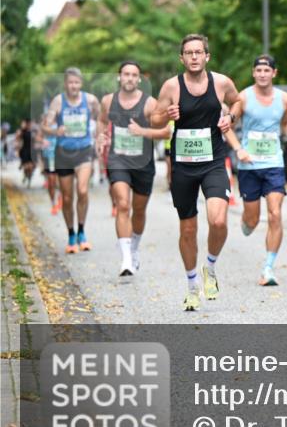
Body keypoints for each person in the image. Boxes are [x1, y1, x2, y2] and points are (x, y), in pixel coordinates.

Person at [151, 34, 242, 312]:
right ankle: (192, 287)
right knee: (188, 229)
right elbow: (154, 118)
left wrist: (231, 117)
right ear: (182, 58)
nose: (193, 57)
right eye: (188, 53)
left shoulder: (221, 82)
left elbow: (238, 102)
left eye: (198, 52)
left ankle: (210, 268)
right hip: (183, 165)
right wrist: (167, 114)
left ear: (207, 56)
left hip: (213, 161)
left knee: (218, 221)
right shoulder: (172, 87)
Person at [224, 54, 287, 286]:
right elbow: (226, 126)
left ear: (274, 73)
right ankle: (247, 222)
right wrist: (238, 149)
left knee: (275, 214)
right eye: (258, 70)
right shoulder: (243, 98)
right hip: (249, 165)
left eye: (266, 70)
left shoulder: (285, 99)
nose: (262, 74)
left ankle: (268, 268)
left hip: (274, 164)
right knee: (252, 219)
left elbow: (286, 122)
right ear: (253, 73)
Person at [97, 61, 172, 276]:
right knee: (122, 204)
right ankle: (127, 260)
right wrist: (101, 136)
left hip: (143, 163)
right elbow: (102, 121)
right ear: (119, 77)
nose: (129, 78)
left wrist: (142, 131)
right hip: (117, 160)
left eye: (134, 75)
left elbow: (166, 132)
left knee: (139, 210)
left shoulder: (149, 103)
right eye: (126, 74)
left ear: (139, 79)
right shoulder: (108, 101)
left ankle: (134, 248)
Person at [42, 68, 101, 254]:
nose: (73, 85)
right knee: (67, 198)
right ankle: (71, 234)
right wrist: (54, 131)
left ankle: (82, 231)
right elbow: (45, 126)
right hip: (63, 153)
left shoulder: (90, 100)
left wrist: (98, 138)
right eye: (70, 82)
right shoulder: (58, 101)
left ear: (81, 84)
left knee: (82, 190)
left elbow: (100, 119)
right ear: (65, 84)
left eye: (76, 82)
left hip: (84, 151)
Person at [15, 120, 36, 186]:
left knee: (31, 167)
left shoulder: (34, 132)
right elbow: (17, 138)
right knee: (26, 167)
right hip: (25, 150)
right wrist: (17, 150)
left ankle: (29, 179)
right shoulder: (23, 131)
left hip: (32, 150)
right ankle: (25, 175)